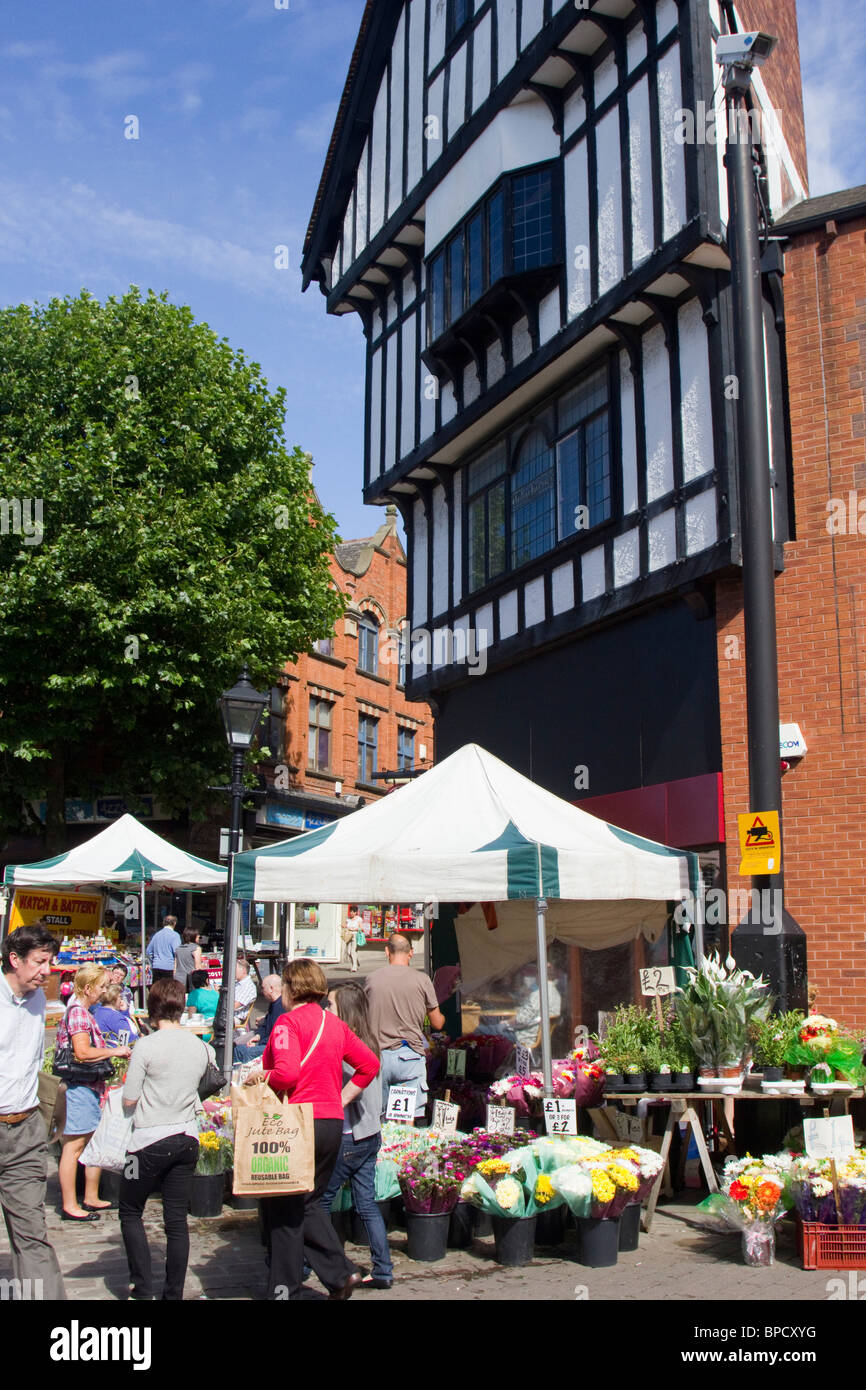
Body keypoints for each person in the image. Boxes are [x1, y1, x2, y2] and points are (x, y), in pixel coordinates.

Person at [257, 959, 379, 1301]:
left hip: (297, 1123)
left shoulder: (286, 1023)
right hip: (330, 1124)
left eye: (283, 985)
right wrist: (339, 1100)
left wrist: (260, 1076)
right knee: (307, 1203)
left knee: (284, 1207)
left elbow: (286, 1075)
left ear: (291, 988)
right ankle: (340, 1275)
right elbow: (369, 1065)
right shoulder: (333, 1023)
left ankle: (286, 1289)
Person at [120, 978, 216, 1300]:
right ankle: (172, 1293)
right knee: (176, 1219)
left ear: (153, 1008)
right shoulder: (201, 1046)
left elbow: (130, 1099)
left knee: (130, 1210)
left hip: (145, 1143)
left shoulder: (146, 1046)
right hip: (186, 1139)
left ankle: (141, 1287)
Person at [0, 921, 66, 1299]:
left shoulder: (40, 998)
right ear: (15, 959)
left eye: (50, 962)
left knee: (32, 1233)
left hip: (25, 1128)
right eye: (41, 962)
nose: (47, 971)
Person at [321, 983, 393, 1289]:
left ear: (346, 1013)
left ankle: (317, 1264)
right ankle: (383, 1270)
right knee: (366, 1204)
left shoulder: (348, 1050)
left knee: (320, 1203)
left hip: (348, 1137)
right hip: (370, 1135)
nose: (326, 1010)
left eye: (331, 1006)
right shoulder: (371, 1042)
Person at [56, 963, 132, 1220]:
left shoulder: (86, 1011)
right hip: (80, 1086)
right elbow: (83, 1052)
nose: (103, 992)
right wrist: (114, 1051)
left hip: (89, 1086)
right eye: (100, 987)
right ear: (87, 988)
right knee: (74, 1145)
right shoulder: (78, 1013)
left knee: (89, 1142)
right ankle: (70, 1205)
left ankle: (90, 1196)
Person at [365, 933, 444, 1120]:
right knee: (407, 1119)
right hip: (409, 1055)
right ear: (411, 953)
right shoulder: (422, 980)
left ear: (387, 951)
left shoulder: (372, 979)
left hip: (379, 1056)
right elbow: (437, 1023)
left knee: (379, 1118)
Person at [233, 974, 284, 1063]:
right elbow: (265, 1026)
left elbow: (278, 1037)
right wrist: (258, 1036)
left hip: (273, 1048)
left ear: (271, 989)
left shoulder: (282, 1007)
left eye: (263, 988)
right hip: (265, 1040)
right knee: (234, 1045)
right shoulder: (273, 1003)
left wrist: (258, 1043)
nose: (261, 991)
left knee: (239, 1051)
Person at [185, 969, 219, 1041]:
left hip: (202, 1032)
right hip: (216, 1031)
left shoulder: (194, 994)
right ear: (207, 980)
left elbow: (191, 1016)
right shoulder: (216, 994)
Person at [146, 915, 182, 982]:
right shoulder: (175, 935)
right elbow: (177, 952)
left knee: (157, 990)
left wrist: (153, 960)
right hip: (169, 967)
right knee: (168, 990)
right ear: (174, 923)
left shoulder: (157, 935)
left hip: (156, 966)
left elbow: (148, 951)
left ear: (163, 923)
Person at [172, 927, 203, 992]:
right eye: (197, 936)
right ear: (193, 936)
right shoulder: (196, 948)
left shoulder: (178, 949)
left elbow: (175, 967)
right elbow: (198, 967)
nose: (199, 937)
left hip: (179, 979)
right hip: (191, 979)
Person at [233, 957, 257, 1029]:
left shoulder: (248, 986)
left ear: (243, 970)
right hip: (229, 1016)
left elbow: (234, 1006)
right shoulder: (237, 983)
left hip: (236, 1018)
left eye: (235, 969)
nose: (233, 972)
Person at [342, 907, 363, 973]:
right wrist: (344, 926)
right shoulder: (348, 919)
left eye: (353, 912)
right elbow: (345, 925)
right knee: (348, 952)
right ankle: (356, 961)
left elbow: (361, 928)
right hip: (348, 936)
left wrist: (353, 929)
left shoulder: (359, 919)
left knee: (352, 951)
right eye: (350, 911)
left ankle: (354, 966)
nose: (351, 913)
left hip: (355, 935)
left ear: (355, 912)